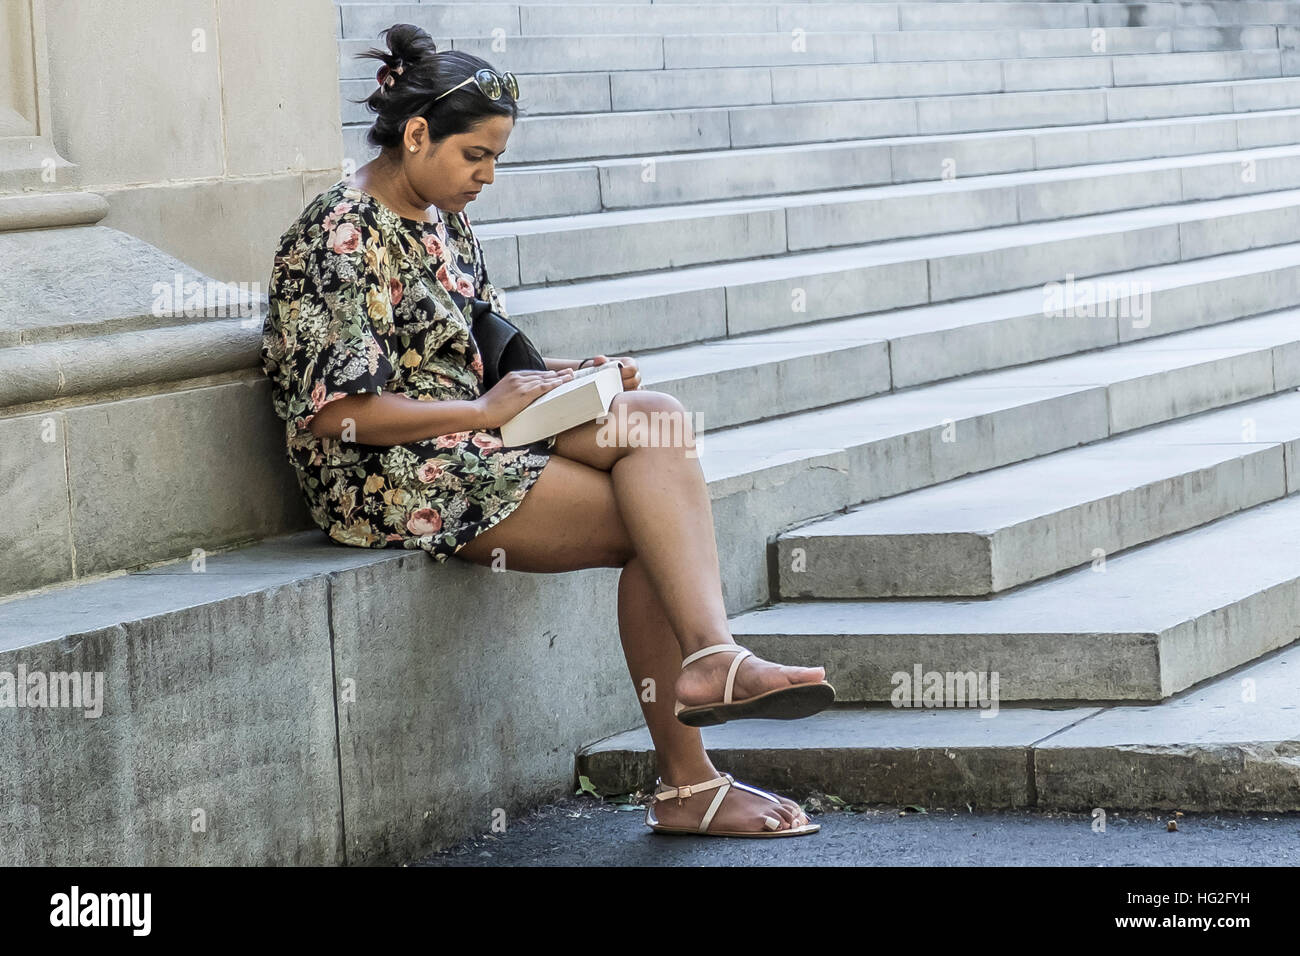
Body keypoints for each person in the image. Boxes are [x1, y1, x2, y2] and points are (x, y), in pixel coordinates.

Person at [260, 23, 835, 839]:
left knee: (660, 423)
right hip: (388, 471)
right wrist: (486, 413)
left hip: (472, 430)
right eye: (476, 156)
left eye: (498, 158)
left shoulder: (438, 214)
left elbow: (470, 351)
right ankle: (690, 776)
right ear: (416, 134)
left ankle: (713, 659)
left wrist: (567, 375)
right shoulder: (336, 233)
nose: (488, 176)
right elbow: (335, 412)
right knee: (655, 530)